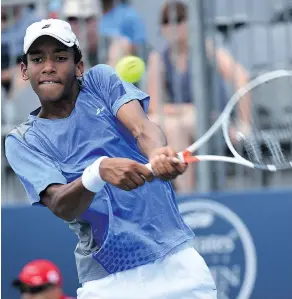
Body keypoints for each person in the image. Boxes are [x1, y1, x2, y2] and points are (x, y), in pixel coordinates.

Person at [5, 19, 217, 298]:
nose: (48, 66)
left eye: (60, 57)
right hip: (108, 281)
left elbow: (142, 127)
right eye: (37, 59)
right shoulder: (23, 141)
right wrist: (98, 172)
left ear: (79, 66)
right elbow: (60, 204)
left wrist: (156, 153)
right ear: (24, 70)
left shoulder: (100, 81)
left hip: (176, 264)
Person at [147, 1, 249, 193]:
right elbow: (154, 105)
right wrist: (186, 109)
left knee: (181, 123)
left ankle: (191, 196)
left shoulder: (207, 49)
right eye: (167, 21)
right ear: (162, 27)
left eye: (179, 20)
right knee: (172, 125)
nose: (174, 26)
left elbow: (241, 77)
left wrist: (244, 124)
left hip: (214, 121)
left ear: (189, 23)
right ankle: (189, 194)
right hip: (182, 119)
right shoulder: (158, 58)